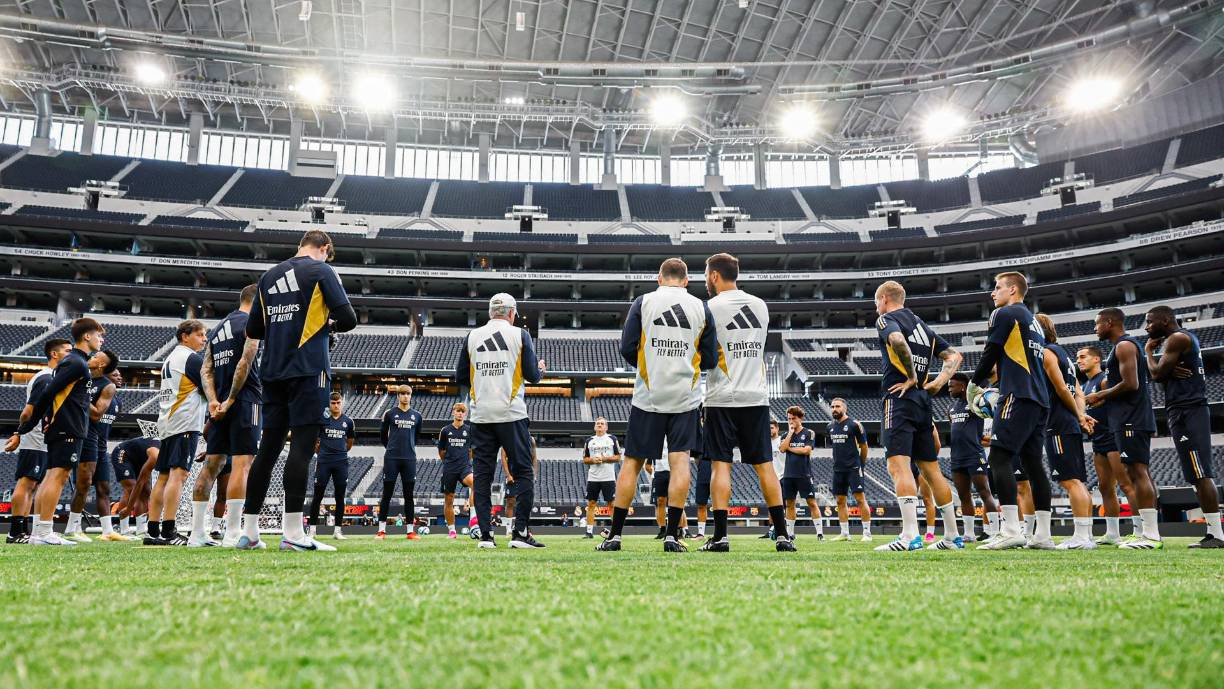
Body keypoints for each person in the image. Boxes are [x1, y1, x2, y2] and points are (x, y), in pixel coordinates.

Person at [239, 229, 356, 552]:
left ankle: (249, 532)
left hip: (272, 371)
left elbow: (253, 329)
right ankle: (292, 532)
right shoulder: (321, 270)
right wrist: (327, 326)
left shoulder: (268, 276)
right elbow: (348, 317)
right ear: (324, 248)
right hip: (308, 369)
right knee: (302, 448)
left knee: (268, 450)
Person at [598, 258, 716, 553]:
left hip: (648, 397)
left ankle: (614, 536)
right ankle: (672, 537)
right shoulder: (701, 308)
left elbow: (626, 346)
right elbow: (711, 359)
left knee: (632, 463)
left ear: (659, 278)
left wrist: (646, 365)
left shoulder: (644, 301)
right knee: (680, 463)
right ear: (686, 281)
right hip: (685, 398)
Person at [697, 253, 793, 553]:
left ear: (714, 276)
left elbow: (704, 354)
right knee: (765, 466)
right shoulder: (760, 306)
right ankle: (781, 535)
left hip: (721, 396)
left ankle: (721, 537)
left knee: (720, 467)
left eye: (705, 275)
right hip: (756, 397)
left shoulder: (709, 307)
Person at [872, 281, 964, 551]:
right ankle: (952, 537)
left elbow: (897, 340)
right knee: (931, 470)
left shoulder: (886, 319)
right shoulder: (923, 326)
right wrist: (937, 382)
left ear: (885, 299)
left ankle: (910, 535)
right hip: (923, 402)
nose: (876, 308)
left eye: (876, 302)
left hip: (898, 397)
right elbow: (954, 356)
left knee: (898, 466)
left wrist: (911, 376)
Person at [969, 273, 1052, 551]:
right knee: (1033, 464)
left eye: (997, 288)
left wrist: (973, 382)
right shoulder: (1035, 323)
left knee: (999, 456)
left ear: (1013, 289)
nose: (993, 293)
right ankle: (1043, 535)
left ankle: (1011, 530)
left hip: (1017, 394)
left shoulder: (1004, 313)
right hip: (1039, 399)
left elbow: (990, 351)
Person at [457, 293, 546, 549]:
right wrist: (540, 368)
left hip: (481, 415)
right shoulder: (520, 335)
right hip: (511, 413)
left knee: (483, 476)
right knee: (524, 472)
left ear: (489, 313)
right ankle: (520, 533)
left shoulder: (472, 337)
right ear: (512, 313)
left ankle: (485, 536)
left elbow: (460, 375)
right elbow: (532, 376)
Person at [8, 319, 106, 546]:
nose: (101, 340)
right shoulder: (76, 363)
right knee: (58, 476)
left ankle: (38, 532)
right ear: (87, 337)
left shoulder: (76, 362)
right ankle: (43, 532)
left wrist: (23, 430)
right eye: (99, 335)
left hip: (63, 426)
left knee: (51, 476)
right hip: (68, 426)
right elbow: (47, 394)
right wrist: (23, 430)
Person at [1144, 305, 1223, 548]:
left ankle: (1218, 535)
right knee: (1195, 476)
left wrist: (1149, 352)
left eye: (1149, 321)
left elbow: (1156, 375)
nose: (1146, 327)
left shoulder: (1177, 338)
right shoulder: (1180, 340)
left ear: (1165, 319)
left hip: (1188, 410)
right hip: (1183, 410)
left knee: (1201, 473)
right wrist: (1164, 370)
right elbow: (1161, 374)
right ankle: (1214, 533)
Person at [1084, 308, 1163, 549]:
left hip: (1132, 418)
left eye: (1098, 324)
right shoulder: (1120, 348)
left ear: (1109, 323)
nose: (1095, 328)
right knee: (1136, 473)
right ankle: (1144, 533)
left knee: (1138, 473)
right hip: (1125, 418)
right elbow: (1120, 382)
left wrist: (1100, 394)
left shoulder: (1125, 346)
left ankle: (1150, 535)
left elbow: (1131, 384)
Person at [199, 284, 263, 547]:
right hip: (244, 400)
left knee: (210, 467)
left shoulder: (217, 329)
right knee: (242, 466)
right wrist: (232, 398)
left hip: (216, 406)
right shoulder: (252, 323)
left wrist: (214, 401)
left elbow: (206, 369)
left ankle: (196, 534)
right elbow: (245, 361)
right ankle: (234, 532)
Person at [1035, 313, 1097, 550]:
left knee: (1070, 481)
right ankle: (1086, 536)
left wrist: (1079, 415)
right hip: (1068, 421)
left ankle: (1081, 538)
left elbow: (1062, 389)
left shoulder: (1047, 352)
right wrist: (1080, 414)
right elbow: (1078, 392)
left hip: (1058, 423)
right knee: (1077, 480)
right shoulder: (1065, 356)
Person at [145, 320, 209, 546]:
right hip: (185, 421)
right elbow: (209, 388)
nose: (204, 339)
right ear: (185, 336)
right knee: (178, 475)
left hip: (168, 422)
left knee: (163, 476)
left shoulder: (171, 358)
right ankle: (169, 530)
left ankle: (153, 531)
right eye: (200, 335)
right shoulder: (191, 358)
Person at [4, 338, 70, 544]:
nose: (72, 354)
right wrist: (20, 433)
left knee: (33, 485)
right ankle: (15, 532)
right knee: (27, 482)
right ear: (54, 354)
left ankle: (24, 531)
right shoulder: (46, 378)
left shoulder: (52, 377)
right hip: (35, 437)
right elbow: (28, 412)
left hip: (41, 438)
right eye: (67, 351)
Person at [1077, 346, 1141, 545]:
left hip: (1113, 438)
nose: (1079, 360)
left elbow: (1120, 402)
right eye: (1077, 357)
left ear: (1097, 359)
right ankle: (1113, 533)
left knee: (1126, 485)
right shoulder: (1086, 384)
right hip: (1098, 440)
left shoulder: (1104, 379)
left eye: (1083, 357)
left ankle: (1141, 531)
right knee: (1105, 487)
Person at [62, 350, 120, 542]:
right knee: (84, 484)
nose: (92, 356)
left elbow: (96, 415)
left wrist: (78, 393)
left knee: (104, 487)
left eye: (97, 356)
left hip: (99, 443)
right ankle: (72, 528)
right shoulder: (82, 377)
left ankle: (107, 531)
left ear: (102, 364)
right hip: (84, 436)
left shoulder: (107, 386)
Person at [946, 374, 999, 541]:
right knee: (963, 496)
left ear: (963, 386)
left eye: (952, 386)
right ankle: (969, 534)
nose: (949, 389)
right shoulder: (951, 408)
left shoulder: (976, 404)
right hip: (956, 457)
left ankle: (994, 532)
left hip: (974, 455)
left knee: (985, 493)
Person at [378, 385, 423, 540]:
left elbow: (416, 437)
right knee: (387, 495)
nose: (405, 396)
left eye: (408, 394)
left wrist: (408, 448)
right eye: (402, 394)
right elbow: (383, 435)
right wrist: (391, 448)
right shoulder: (390, 414)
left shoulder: (417, 416)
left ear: (411, 395)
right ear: (398, 396)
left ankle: (410, 531)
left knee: (409, 495)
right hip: (391, 458)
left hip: (409, 459)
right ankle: (381, 531)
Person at [310, 392, 355, 540]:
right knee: (317, 497)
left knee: (340, 497)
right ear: (329, 404)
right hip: (323, 462)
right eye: (333, 403)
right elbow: (315, 443)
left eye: (338, 403)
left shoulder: (348, 422)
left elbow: (349, 443)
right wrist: (322, 453)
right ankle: (312, 531)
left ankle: (337, 531)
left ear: (342, 403)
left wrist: (339, 452)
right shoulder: (323, 421)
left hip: (341, 462)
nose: (336, 405)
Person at [827, 398, 872, 542]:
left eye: (838, 406)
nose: (835, 409)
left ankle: (867, 533)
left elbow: (864, 447)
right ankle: (845, 533)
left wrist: (861, 464)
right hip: (838, 469)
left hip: (853, 468)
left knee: (860, 499)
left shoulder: (855, 425)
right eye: (833, 406)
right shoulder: (830, 427)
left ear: (845, 408)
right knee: (840, 501)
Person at [779, 405, 823, 542]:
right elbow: (781, 449)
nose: (791, 421)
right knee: (790, 504)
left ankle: (820, 533)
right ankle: (790, 533)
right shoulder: (786, 435)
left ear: (800, 418)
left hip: (804, 474)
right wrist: (791, 433)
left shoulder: (809, 433)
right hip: (788, 475)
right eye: (789, 419)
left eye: (793, 418)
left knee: (811, 502)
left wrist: (790, 448)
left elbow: (806, 451)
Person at [438, 402, 477, 539]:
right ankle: (452, 531)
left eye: (462, 411)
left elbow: (471, 450)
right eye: (458, 411)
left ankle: (473, 518)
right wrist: (449, 462)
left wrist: (465, 461)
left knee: (475, 484)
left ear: (465, 414)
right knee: (449, 500)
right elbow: (441, 451)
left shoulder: (469, 430)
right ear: (453, 412)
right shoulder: (445, 430)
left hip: (464, 467)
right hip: (449, 468)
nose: (460, 413)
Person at [112, 433, 159, 538]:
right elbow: (139, 483)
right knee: (131, 488)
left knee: (146, 492)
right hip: (123, 454)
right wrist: (129, 508)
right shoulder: (155, 456)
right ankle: (124, 530)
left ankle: (141, 530)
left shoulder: (166, 455)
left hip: (140, 458)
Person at [581, 416, 621, 539]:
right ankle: (589, 532)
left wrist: (604, 459)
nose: (599, 425)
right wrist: (593, 460)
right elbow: (585, 459)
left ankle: (615, 531)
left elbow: (618, 457)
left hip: (608, 477)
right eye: (597, 423)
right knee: (591, 503)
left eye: (602, 423)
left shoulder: (612, 439)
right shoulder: (589, 441)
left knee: (612, 504)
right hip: (593, 478)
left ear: (606, 427)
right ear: (594, 426)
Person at [501, 436, 540, 539]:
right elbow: (503, 457)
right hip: (512, 473)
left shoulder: (531, 439)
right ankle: (508, 529)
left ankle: (523, 528)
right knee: (510, 501)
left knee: (525, 501)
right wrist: (508, 475)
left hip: (525, 474)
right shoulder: (507, 437)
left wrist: (534, 474)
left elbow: (534, 457)